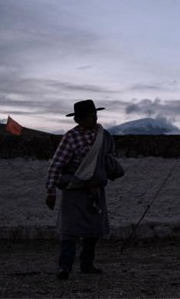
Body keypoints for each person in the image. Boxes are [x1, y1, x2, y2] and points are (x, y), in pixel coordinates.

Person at [46, 99, 124, 280]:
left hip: (95, 190)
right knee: (69, 231)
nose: (94, 119)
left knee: (93, 229)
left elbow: (109, 157)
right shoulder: (71, 138)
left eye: (95, 115)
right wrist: (50, 192)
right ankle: (64, 267)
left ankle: (87, 264)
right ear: (78, 119)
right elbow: (56, 165)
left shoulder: (104, 136)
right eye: (90, 116)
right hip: (75, 189)